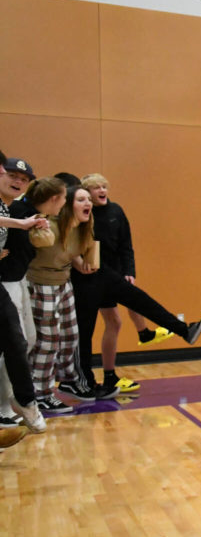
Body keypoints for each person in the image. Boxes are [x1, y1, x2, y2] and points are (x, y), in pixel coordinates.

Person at [77, 173, 169, 395]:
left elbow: (127, 244)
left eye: (104, 186)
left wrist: (129, 270)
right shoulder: (83, 217)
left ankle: (140, 337)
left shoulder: (116, 211)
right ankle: (109, 373)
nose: (101, 190)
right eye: (95, 188)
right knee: (114, 321)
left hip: (116, 272)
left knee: (123, 308)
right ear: (86, 194)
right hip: (96, 275)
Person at [26, 182, 94, 413]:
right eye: (81, 200)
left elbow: (72, 253)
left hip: (64, 284)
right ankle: (40, 393)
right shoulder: (50, 225)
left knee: (70, 335)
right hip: (41, 284)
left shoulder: (81, 228)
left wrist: (83, 263)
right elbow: (40, 241)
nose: (88, 204)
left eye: (89, 200)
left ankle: (66, 380)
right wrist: (38, 225)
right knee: (48, 341)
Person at [0, 155, 49, 434]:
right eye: (11, 175)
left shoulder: (11, 209)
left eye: (23, 179)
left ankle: (25, 402)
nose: (17, 181)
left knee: (16, 340)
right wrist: (23, 224)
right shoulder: (13, 214)